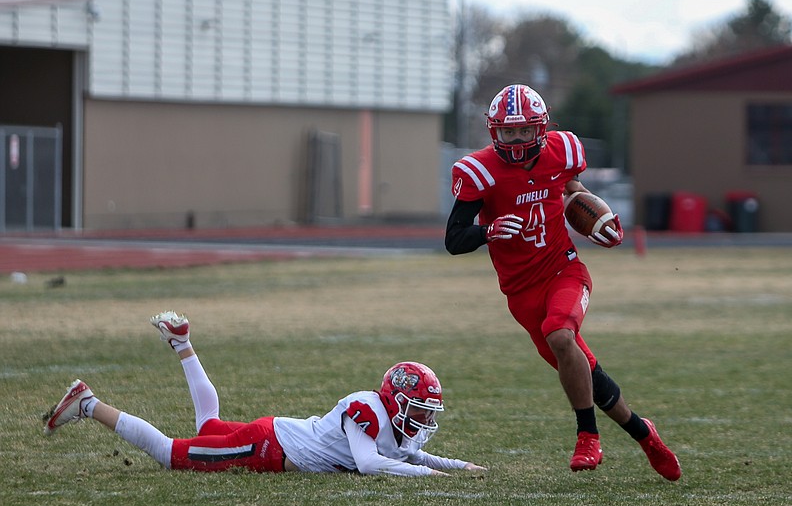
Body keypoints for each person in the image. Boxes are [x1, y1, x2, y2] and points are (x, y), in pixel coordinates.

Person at [444, 83, 680, 480]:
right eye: (507, 132)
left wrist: (596, 219)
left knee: (560, 334)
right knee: (587, 371)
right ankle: (645, 434)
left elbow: (569, 187)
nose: (517, 141)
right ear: (493, 132)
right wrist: (490, 230)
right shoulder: (480, 171)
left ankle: (587, 435)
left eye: (524, 132)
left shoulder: (563, 150)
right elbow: (454, 239)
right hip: (520, 292)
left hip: (563, 270)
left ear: (542, 128)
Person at [43, 311, 487, 478]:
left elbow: (407, 455)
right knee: (171, 454)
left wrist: (457, 464)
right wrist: (435, 478)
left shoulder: (388, 421)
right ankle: (87, 403)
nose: (424, 421)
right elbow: (373, 464)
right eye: (419, 409)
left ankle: (182, 343)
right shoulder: (365, 408)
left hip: (274, 436)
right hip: (268, 447)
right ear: (395, 399)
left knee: (210, 427)